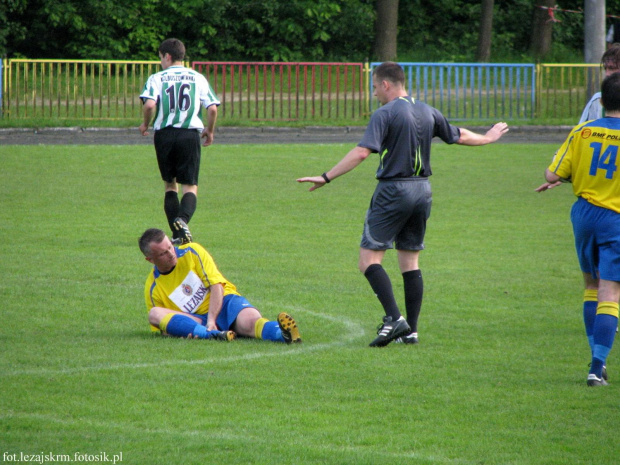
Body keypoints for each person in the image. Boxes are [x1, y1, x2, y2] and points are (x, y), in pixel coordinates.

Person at [296, 61, 508, 347]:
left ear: (385, 84)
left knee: (368, 260)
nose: (374, 94)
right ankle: (412, 332)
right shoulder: (428, 110)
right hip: (423, 191)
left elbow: (361, 152)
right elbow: (457, 134)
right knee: (409, 260)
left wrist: (326, 177)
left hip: (393, 190)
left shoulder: (385, 113)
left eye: (374, 87)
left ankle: (395, 319)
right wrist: (488, 138)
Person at [540, 73, 620, 386]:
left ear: (601, 101)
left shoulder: (584, 132)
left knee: (591, 285)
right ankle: (596, 366)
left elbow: (551, 174)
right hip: (615, 216)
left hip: (584, 214)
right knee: (611, 291)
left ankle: (596, 361)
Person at [139, 228, 302, 344]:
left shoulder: (192, 252)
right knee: (154, 314)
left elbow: (216, 285)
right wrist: (182, 331)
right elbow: (162, 327)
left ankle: (284, 335)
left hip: (225, 302)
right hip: (196, 320)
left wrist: (211, 320)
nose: (171, 254)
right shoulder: (153, 287)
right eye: (163, 253)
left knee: (251, 322)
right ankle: (209, 334)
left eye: (170, 247)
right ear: (150, 260)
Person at [139, 38, 220, 245]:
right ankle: (182, 221)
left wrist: (145, 124)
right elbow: (212, 108)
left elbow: (149, 105)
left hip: (164, 135)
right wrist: (209, 131)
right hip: (189, 134)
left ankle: (177, 235)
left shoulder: (157, 78)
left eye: (160, 58)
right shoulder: (197, 77)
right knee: (190, 186)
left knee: (169, 186)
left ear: (167, 56)